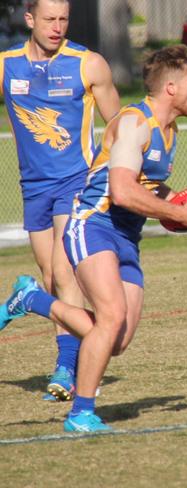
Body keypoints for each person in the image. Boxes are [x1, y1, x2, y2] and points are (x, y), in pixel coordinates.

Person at [0, 44, 187, 432]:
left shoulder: (170, 131)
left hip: (127, 236)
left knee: (117, 339)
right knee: (110, 317)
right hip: (93, 223)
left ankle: (30, 298)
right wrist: (180, 212)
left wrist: (182, 202)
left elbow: (146, 185)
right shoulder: (136, 123)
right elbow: (121, 191)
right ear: (170, 88)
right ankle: (81, 414)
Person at [0, 0, 120, 401]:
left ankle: (67, 369)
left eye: (63, 19)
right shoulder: (6, 65)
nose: (57, 27)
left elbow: (119, 129)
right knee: (51, 279)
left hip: (76, 184)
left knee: (65, 275)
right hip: (33, 187)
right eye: (49, 19)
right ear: (29, 19)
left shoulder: (89, 64)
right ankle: (28, 296)